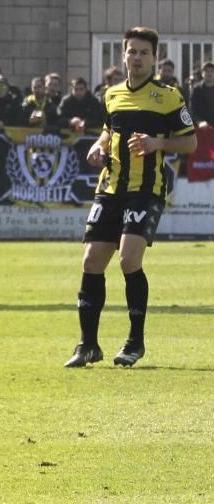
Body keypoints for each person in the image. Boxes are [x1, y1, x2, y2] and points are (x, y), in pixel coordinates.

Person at [65, 27, 197, 369]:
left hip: (146, 189)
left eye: (143, 53)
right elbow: (110, 130)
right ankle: (88, 345)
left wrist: (158, 144)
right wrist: (98, 145)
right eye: (131, 52)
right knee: (92, 262)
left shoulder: (168, 96)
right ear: (123, 56)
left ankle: (135, 342)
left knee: (128, 260)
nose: (136, 58)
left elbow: (190, 142)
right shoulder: (112, 95)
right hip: (110, 188)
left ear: (153, 58)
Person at [189, 61, 214, 128]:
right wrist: (199, 121)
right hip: (202, 127)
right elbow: (193, 109)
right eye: (206, 71)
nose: (209, 73)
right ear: (202, 73)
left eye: (212, 71)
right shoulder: (196, 90)